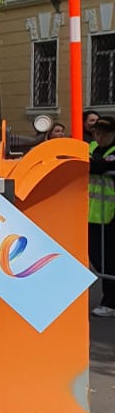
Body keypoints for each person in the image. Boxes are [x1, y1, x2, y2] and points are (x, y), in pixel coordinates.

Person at [88, 115, 115, 317]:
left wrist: (97, 164)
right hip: (93, 214)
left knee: (109, 261)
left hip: (111, 215)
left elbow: (98, 167)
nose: (101, 136)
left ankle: (111, 302)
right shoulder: (91, 148)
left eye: (105, 133)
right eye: (98, 132)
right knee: (98, 259)